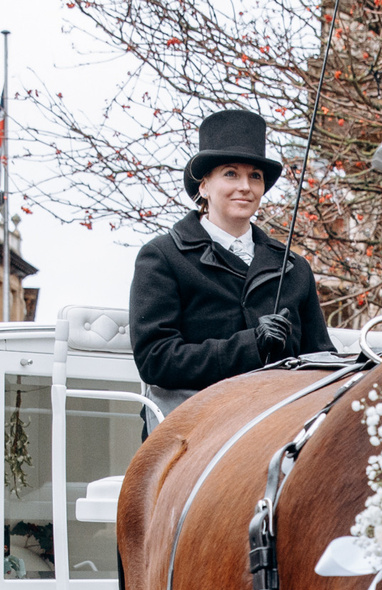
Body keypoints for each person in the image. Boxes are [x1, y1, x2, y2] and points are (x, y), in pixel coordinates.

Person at [128, 106, 332, 413]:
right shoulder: (163, 257)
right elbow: (156, 360)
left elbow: (321, 358)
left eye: (255, 176)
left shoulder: (294, 268)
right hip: (195, 420)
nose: (245, 187)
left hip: (278, 419)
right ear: (204, 186)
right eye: (231, 174)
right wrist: (251, 345)